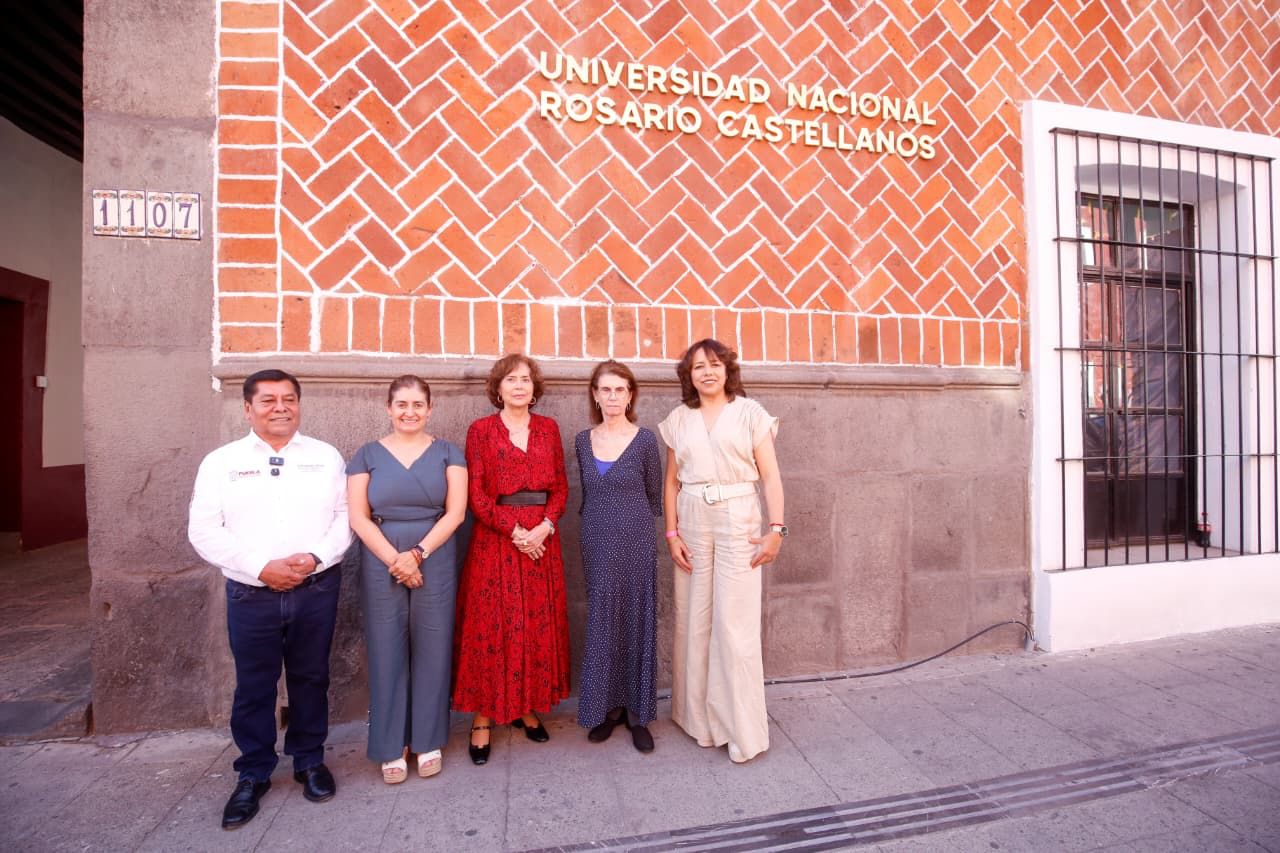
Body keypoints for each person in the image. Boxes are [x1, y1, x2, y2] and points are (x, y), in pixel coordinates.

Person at [188, 368, 352, 830]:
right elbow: (203, 529)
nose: (281, 408)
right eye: (268, 400)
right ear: (248, 409)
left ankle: (308, 760)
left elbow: (345, 517)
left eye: (289, 399)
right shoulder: (221, 462)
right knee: (254, 685)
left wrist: (315, 557)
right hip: (250, 593)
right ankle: (254, 772)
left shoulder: (325, 456)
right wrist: (260, 566)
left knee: (311, 677)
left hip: (316, 587)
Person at [657, 339, 786, 764]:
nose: (707, 372)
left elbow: (770, 477)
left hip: (738, 520)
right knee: (694, 620)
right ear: (689, 376)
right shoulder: (679, 419)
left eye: (714, 364)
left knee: (734, 625)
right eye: (698, 367)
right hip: (692, 520)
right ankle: (699, 721)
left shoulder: (750, 414)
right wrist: (672, 534)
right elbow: (671, 482)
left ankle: (741, 730)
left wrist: (776, 530)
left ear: (727, 369)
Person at [452, 354, 571, 765]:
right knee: (493, 626)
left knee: (534, 625)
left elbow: (560, 487)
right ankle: (483, 716)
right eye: (511, 379)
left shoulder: (549, 429)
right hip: (497, 542)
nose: (519, 386)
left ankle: (524, 706)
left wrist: (545, 527)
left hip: (542, 542)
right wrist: (516, 532)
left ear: (535, 388)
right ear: (498, 388)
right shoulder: (481, 431)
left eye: (525, 379)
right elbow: (476, 494)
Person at [347, 376, 467, 784]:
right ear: (388, 408)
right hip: (381, 555)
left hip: (434, 551)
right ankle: (390, 743)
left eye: (418, 404)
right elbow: (358, 516)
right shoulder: (366, 455)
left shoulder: (448, 452)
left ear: (430, 409)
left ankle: (427, 740)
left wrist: (416, 555)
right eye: (401, 404)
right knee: (386, 647)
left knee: (433, 645)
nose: (409, 412)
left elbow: (456, 513)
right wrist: (394, 559)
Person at [574, 360, 662, 752]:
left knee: (636, 617)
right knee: (603, 619)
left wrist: (630, 525)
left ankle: (638, 714)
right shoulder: (582, 441)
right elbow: (588, 493)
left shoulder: (645, 441)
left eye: (620, 390)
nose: (612, 396)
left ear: (630, 396)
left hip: (636, 540)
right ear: (595, 395)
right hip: (596, 539)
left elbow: (654, 495)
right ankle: (607, 709)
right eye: (605, 389)